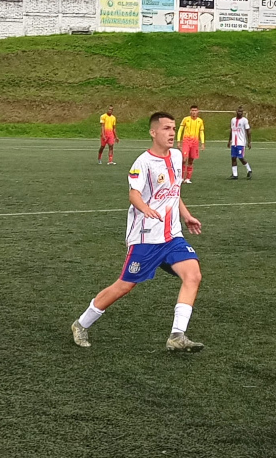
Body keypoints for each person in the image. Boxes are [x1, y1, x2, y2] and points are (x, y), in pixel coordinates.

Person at [72, 112, 205, 352]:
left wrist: (186, 216)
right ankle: (81, 324)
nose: (172, 133)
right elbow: (133, 194)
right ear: (153, 132)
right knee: (124, 286)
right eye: (166, 128)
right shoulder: (142, 162)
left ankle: (177, 335)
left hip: (172, 236)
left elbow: (174, 192)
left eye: (174, 128)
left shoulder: (176, 156)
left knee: (193, 275)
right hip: (146, 237)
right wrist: (146, 209)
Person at [177, 105, 205, 184]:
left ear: (198, 111)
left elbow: (201, 132)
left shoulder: (200, 121)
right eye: (192, 110)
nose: (194, 112)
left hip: (195, 142)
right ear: (190, 111)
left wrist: (202, 143)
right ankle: (181, 177)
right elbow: (180, 130)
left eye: (195, 110)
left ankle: (188, 178)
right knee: (184, 159)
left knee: (191, 160)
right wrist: (178, 141)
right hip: (186, 141)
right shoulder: (186, 119)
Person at [227, 107, 252, 180]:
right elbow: (231, 131)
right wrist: (229, 141)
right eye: (239, 111)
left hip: (241, 143)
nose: (240, 113)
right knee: (233, 158)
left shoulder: (244, 120)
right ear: (236, 111)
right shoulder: (233, 120)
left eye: (241, 111)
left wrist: (249, 142)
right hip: (234, 143)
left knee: (240, 157)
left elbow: (248, 131)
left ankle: (249, 170)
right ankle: (235, 175)